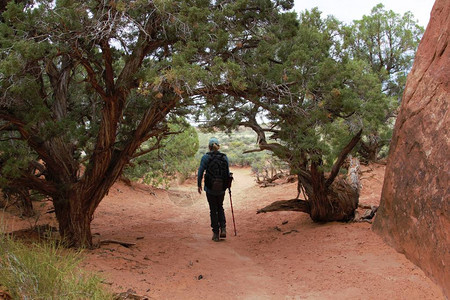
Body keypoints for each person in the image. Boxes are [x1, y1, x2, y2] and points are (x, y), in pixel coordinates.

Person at [197, 137, 230, 242]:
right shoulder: (224, 157)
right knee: (220, 207)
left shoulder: (205, 157)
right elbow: (227, 173)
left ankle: (216, 233)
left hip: (210, 188)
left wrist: (199, 185)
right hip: (221, 188)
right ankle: (223, 228)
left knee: (213, 209)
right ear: (218, 146)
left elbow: (200, 172)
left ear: (209, 147)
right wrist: (228, 186)